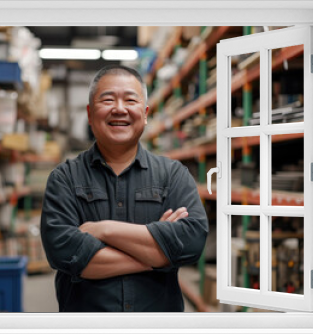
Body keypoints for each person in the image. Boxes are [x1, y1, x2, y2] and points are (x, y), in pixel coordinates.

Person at [40, 64, 208, 312]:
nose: (119, 109)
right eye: (107, 100)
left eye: (130, 100)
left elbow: (191, 242)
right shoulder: (64, 178)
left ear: (146, 113)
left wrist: (104, 230)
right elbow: (64, 253)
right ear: (89, 113)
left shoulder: (173, 175)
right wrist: (160, 256)